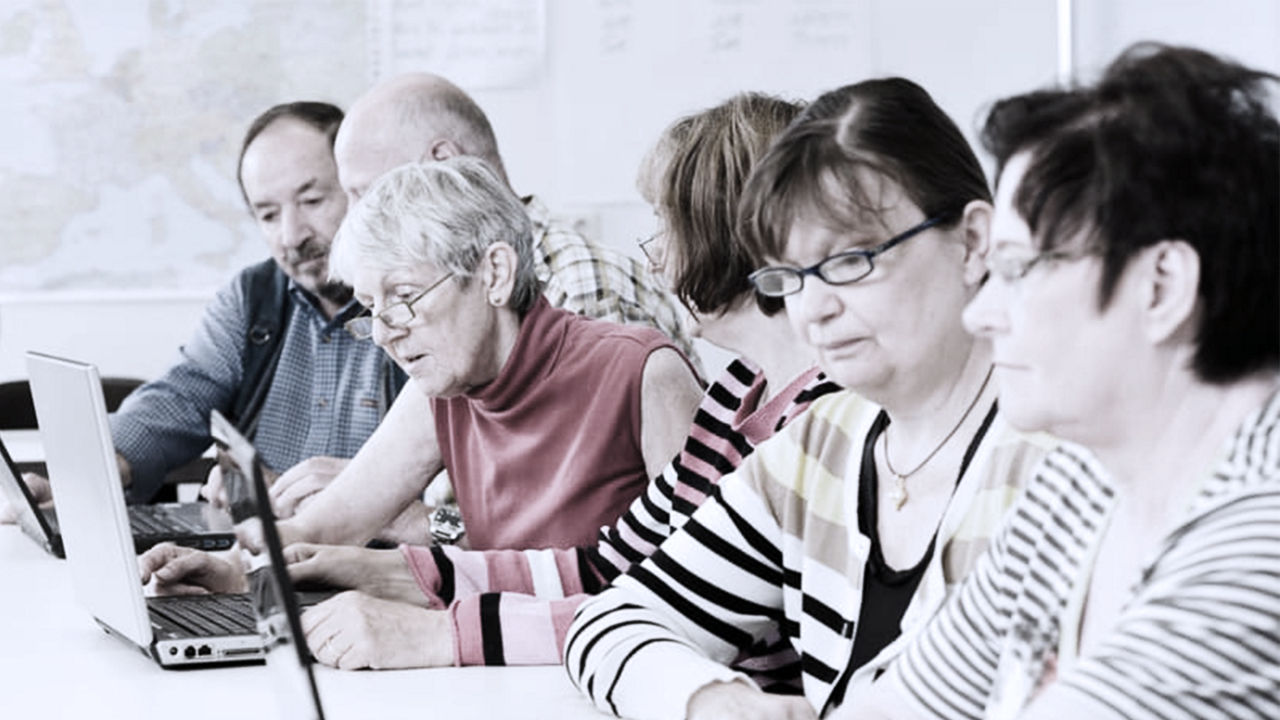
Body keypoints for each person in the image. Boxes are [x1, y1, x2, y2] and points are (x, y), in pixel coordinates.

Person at [273, 92, 844, 672]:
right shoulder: (735, 395)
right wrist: (399, 574)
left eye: (667, 225)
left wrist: (439, 633)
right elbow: (605, 568)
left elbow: (679, 615)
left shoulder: (824, 418)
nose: (654, 259)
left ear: (735, 231)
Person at [564, 78, 1050, 720]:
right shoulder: (820, 443)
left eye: (851, 260)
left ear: (972, 241)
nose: (814, 308)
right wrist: (712, 700)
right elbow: (610, 620)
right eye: (788, 276)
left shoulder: (1059, 450)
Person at [846, 43, 1280, 720]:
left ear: (1161, 285)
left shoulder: (1258, 544)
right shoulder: (1081, 480)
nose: (981, 312)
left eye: (1018, 268)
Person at [141, 156, 702, 587]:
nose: (384, 332)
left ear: (495, 274)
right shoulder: (443, 386)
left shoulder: (643, 374)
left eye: (404, 296)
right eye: (371, 306)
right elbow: (324, 527)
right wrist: (232, 568)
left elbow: (700, 590)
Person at [246, 71, 701, 524]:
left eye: (365, 193)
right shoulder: (449, 349)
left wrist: (406, 523)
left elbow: (561, 540)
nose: (353, 216)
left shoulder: (582, 291)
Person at [0, 102, 405, 523]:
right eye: (268, 214)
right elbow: (181, 396)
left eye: (312, 200)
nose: (292, 234)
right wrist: (88, 482)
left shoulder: (417, 307)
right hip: (257, 558)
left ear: (362, 189)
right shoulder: (254, 297)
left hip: (382, 562)